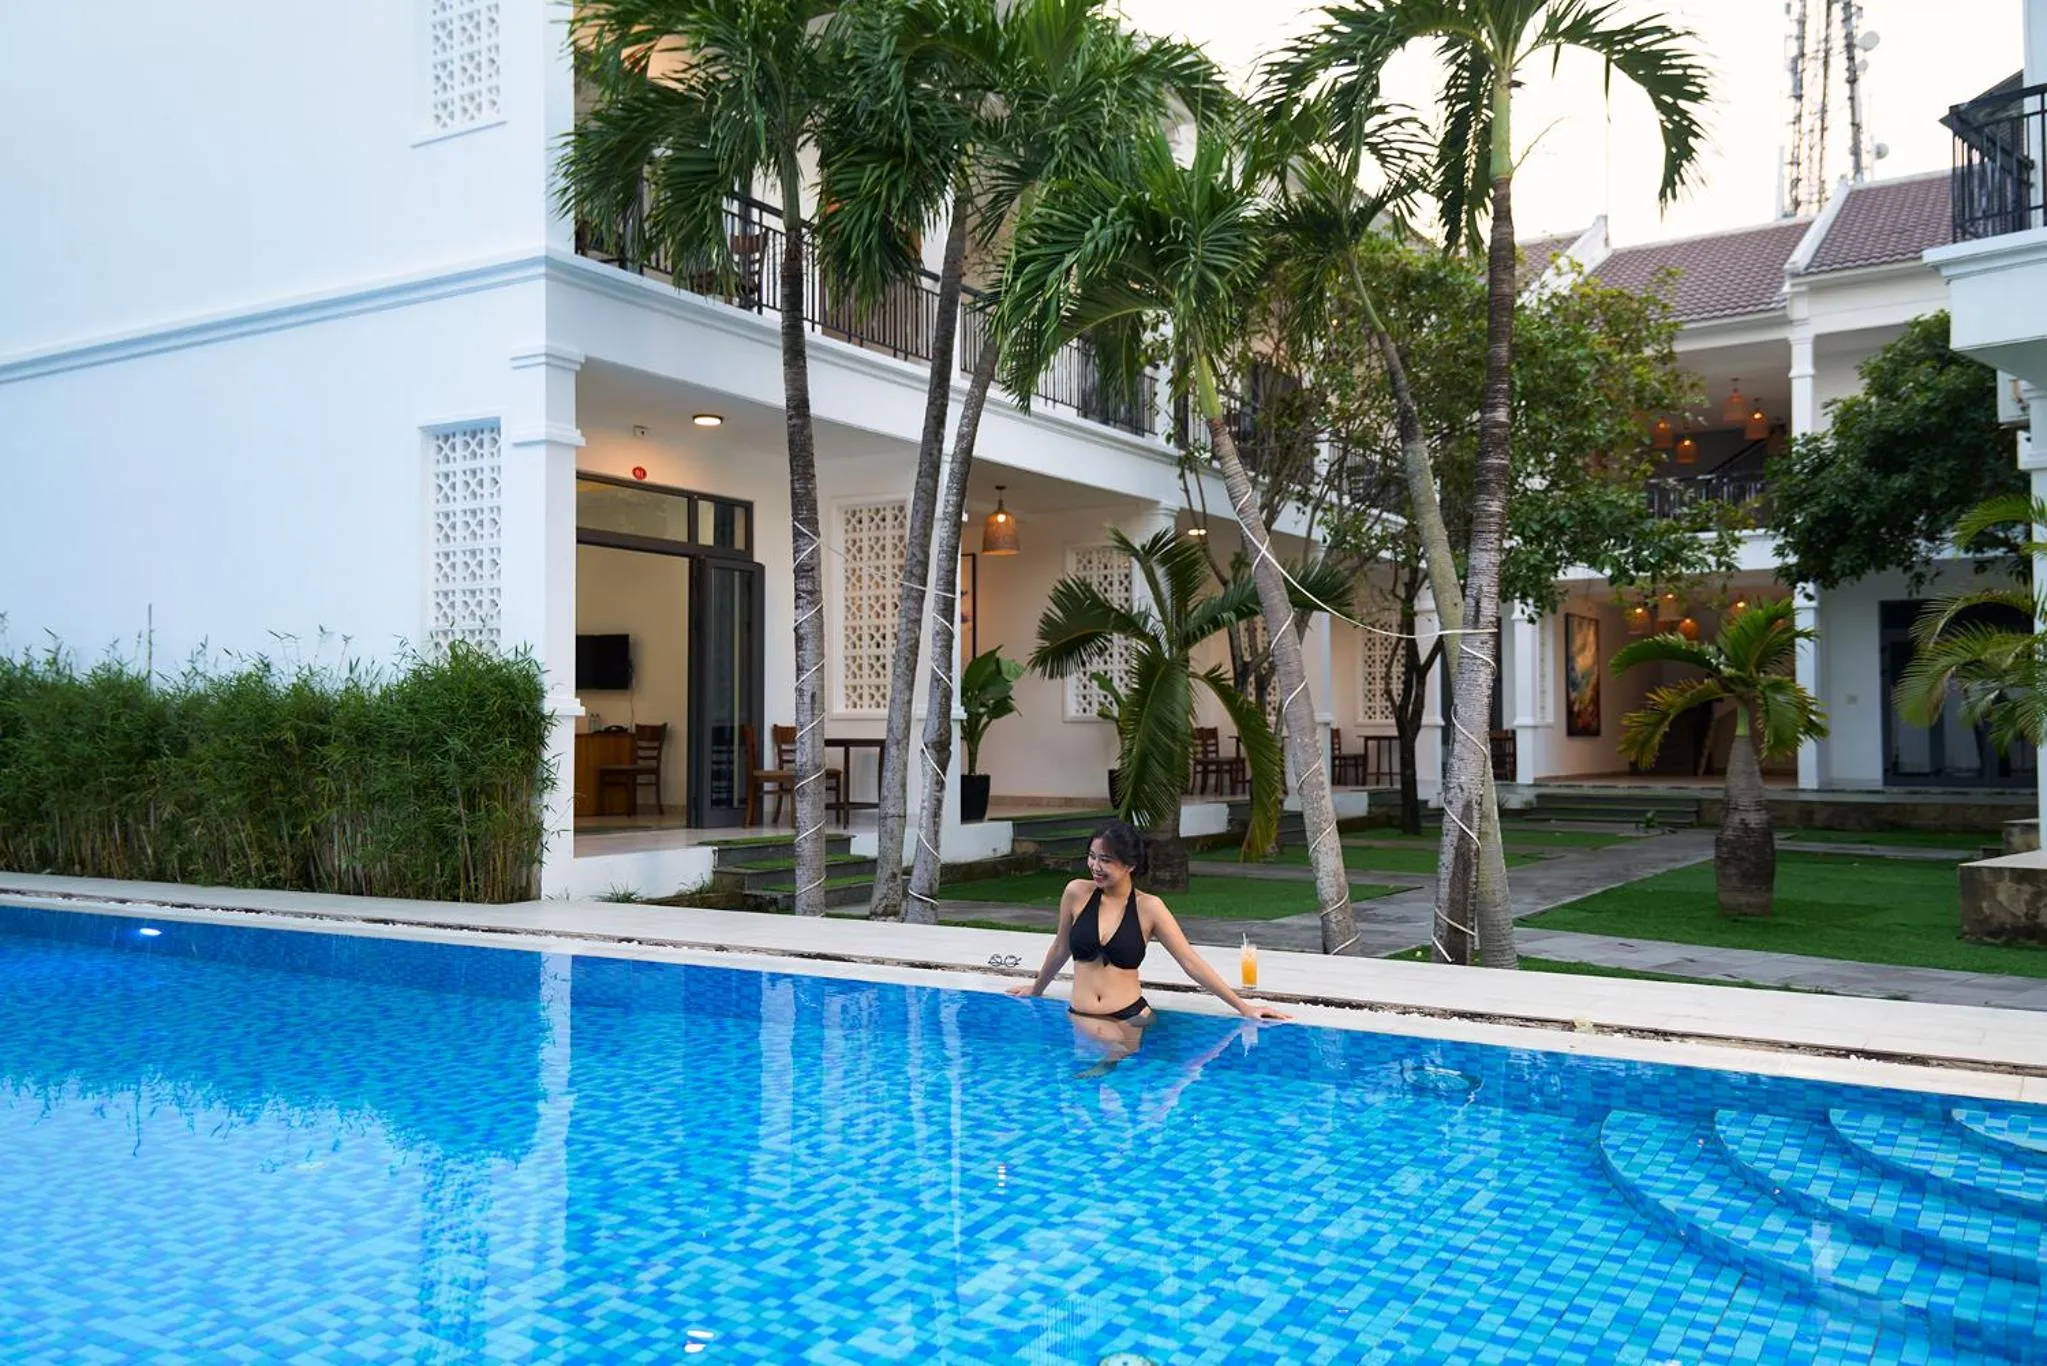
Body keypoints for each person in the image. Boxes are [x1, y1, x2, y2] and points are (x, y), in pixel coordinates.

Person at [1007, 821, 1289, 1060]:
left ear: (1130, 864)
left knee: (1113, 1074)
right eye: (1092, 856)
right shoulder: (1076, 893)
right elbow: (1060, 948)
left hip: (1130, 1016)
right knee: (1091, 1087)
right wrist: (1036, 988)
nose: (1095, 866)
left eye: (1106, 860)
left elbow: (1189, 962)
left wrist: (1245, 1007)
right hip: (1082, 1014)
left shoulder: (1149, 908)